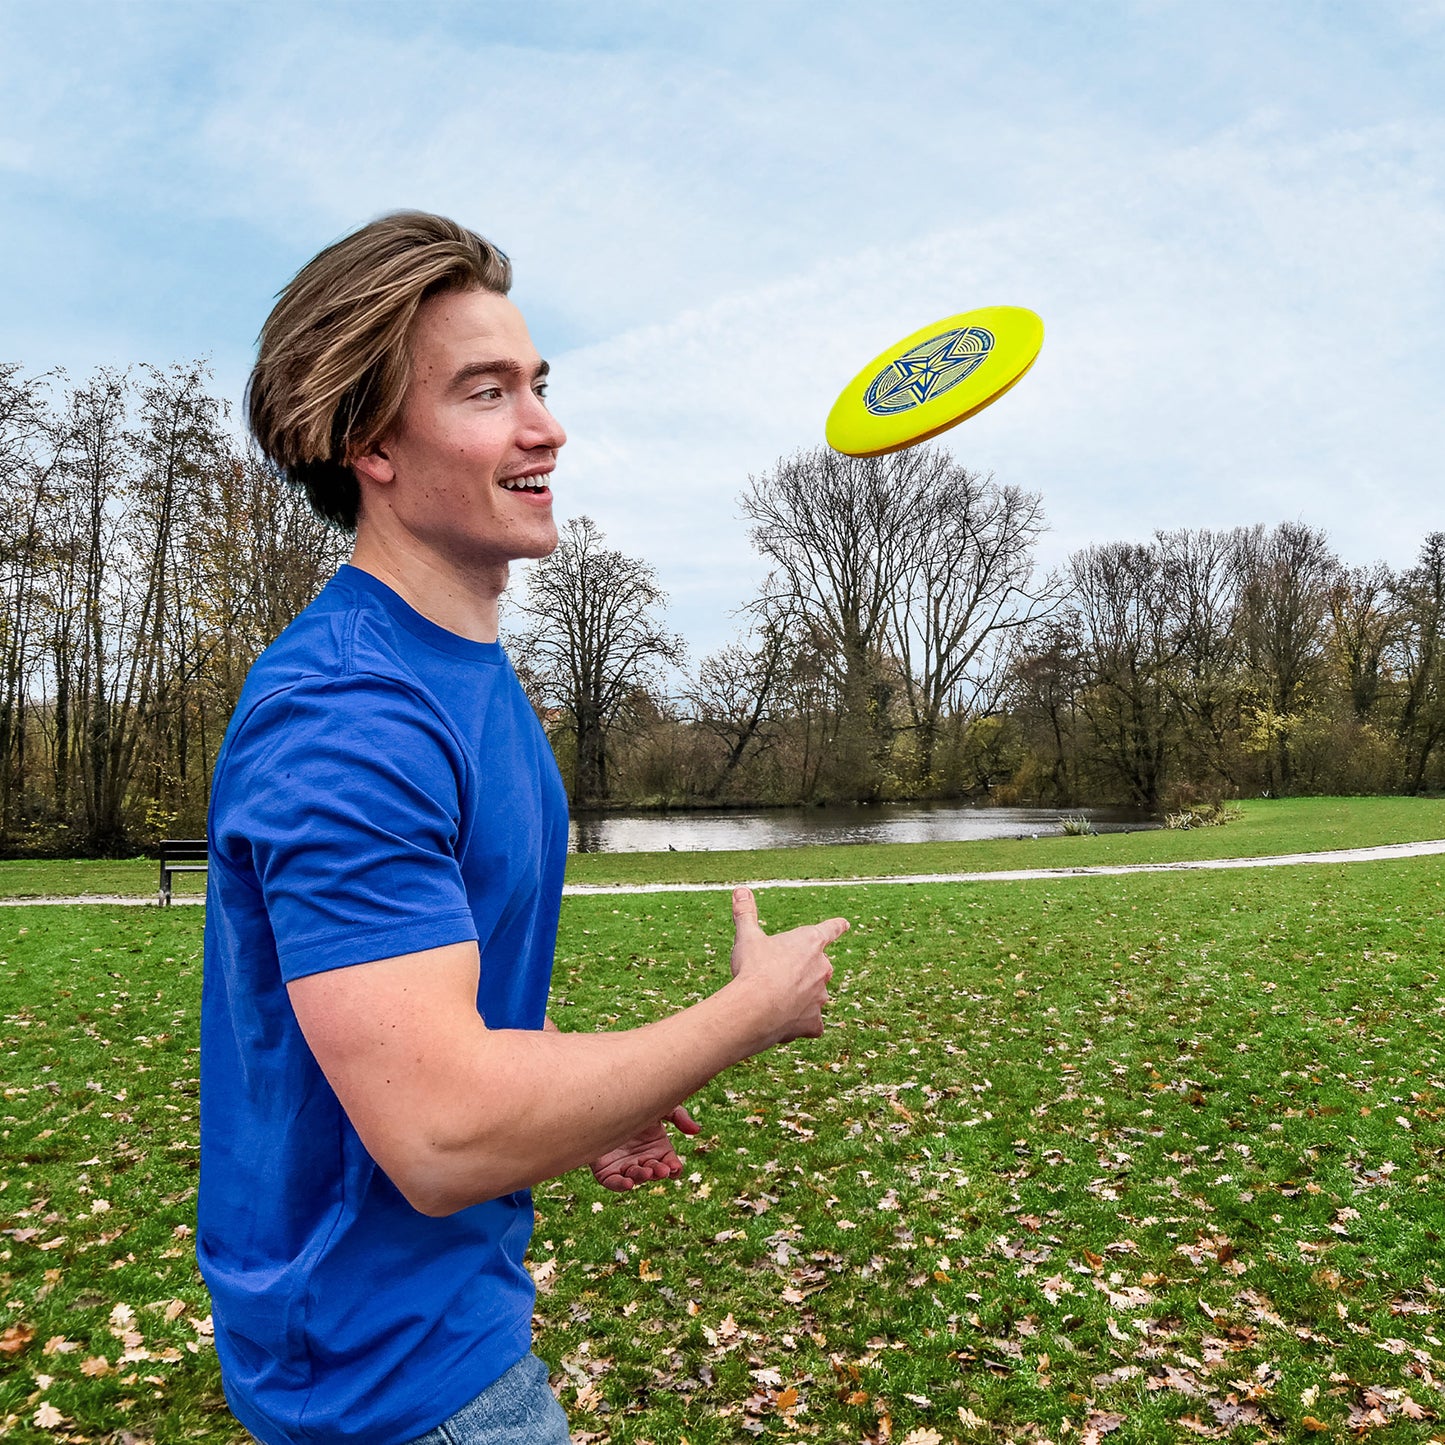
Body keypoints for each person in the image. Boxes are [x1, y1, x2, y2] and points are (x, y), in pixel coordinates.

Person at [198, 211, 849, 1445]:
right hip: (388, 1379)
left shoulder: (470, 677)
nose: (545, 426)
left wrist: (599, 1098)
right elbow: (440, 1131)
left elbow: (454, 989)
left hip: (437, 1326)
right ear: (368, 442)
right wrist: (740, 1017)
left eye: (538, 385)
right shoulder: (348, 719)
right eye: (485, 392)